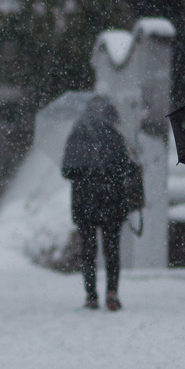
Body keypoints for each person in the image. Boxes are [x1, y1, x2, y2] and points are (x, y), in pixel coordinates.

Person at [61, 97, 139, 311]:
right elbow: (126, 168)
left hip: (84, 203)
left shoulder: (76, 137)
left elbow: (66, 170)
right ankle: (112, 294)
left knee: (88, 250)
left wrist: (85, 173)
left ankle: (91, 296)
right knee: (112, 250)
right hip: (112, 202)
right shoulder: (115, 136)